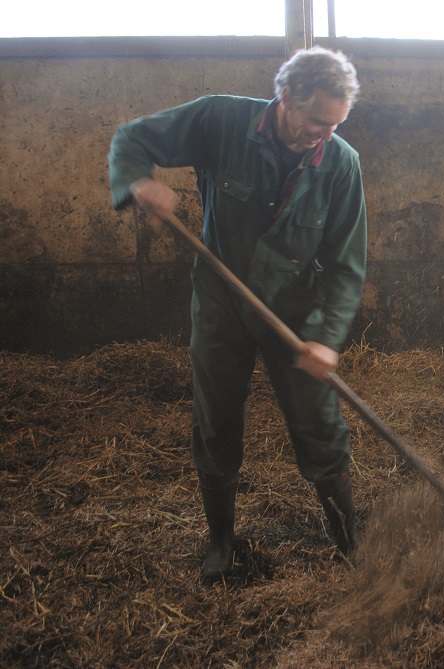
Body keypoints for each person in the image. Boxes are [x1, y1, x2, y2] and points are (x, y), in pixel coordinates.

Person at [108, 47, 367, 581]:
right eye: (318, 120)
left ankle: (348, 538)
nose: (325, 133)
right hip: (223, 303)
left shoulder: (340, 164)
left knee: (319, 423)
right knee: (217, 420)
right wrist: (140, 181)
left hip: (296, 313)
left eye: (336, 123)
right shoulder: (219, 119)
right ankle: (221, 541)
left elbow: (345, 268)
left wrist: (327, 337)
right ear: (286, 98)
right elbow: (131, 139)